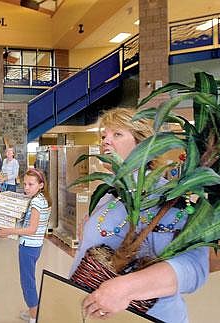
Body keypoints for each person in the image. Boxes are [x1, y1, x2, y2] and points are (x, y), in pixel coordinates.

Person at [69, 108, 209, 322]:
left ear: (143, 145)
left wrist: (127, 287)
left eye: (117, 134)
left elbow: (194, 266)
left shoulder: (168, 197)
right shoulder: (109, 195)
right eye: (103, 135)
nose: (105, 141)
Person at [0, 168, 51, 323]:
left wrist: (8, 231)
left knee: (27, 282)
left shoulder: (36, 202)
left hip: (29, 246)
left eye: (31, 184)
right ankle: (33, 311)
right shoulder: (43, 199)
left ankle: (34, 317)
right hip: (36, 245)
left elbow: (31, 229)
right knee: (29, 279)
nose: (26, 187)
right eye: (25, 184)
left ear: (41, 185)